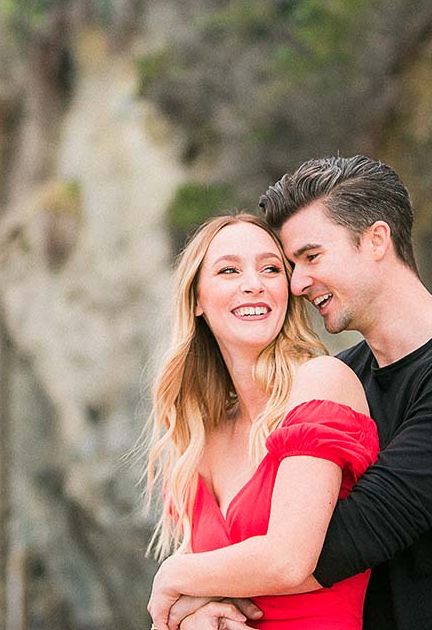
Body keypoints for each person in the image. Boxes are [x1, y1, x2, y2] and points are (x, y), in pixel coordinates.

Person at [163, 155, 432, 629]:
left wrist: (183, 582)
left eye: (311, 257)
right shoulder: (344, 376)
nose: (298, 284)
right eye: (292, 264)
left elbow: (346, 540)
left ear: (376, 240)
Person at [145, 214, 380, 630]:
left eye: (270, 269)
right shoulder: (202, 436)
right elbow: (174, 613)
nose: (253, 283)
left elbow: (288, 560)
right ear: (197, 299)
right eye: (229, 270)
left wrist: (173, 575)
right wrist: (198, 620)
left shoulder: (321, 382)